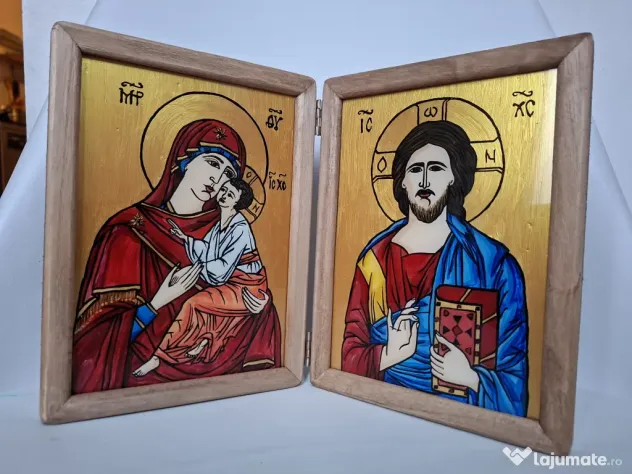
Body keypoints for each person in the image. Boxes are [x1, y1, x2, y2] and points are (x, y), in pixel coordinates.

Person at [72, 119, 281, 394]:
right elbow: (93, 343)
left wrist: (262, 306)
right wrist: (158, 301)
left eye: (229, 174)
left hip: (224, 387)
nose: (218, 180)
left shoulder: (227, 229)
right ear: (184, 159)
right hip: (139, 390)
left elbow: (249, 295)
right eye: (212, 163)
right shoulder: (128, 231)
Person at [341, 120, 529, 416]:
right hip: (378, 411)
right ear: (403, 181)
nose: (425, 181)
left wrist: (470, 378)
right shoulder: (374, 260)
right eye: (416, 169)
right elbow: (349, 355)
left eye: (437, 168)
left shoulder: (492, 265)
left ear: (454, 178)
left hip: (459, 421)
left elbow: (513, 378)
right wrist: (389, 354)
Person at [132, 178, 268, 376]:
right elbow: (207, 249)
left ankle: (157, 358)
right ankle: (203, 341)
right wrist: (185, 238)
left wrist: (199, 268)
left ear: (237, 202)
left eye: (230, 194)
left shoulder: (240, 228)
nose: (224, 195)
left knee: (194, 303)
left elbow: (222, 268)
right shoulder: (220, 224)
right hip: (232, 281)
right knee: (205, 304)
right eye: (224, 190)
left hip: (247, 286)